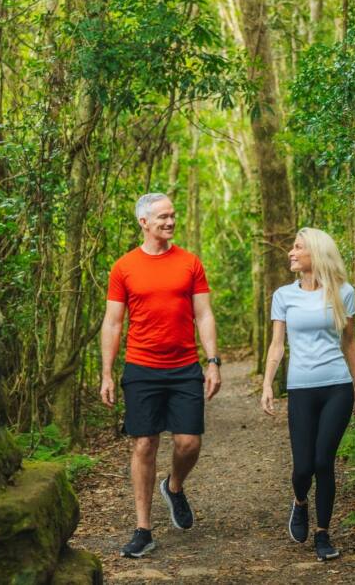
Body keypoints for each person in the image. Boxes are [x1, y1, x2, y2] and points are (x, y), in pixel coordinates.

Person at [100, 192, 222, 559]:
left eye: (172, 216)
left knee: (189, 443)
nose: (170, 222)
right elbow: (113, 322)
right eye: (163, 217)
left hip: (184, 367)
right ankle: (143, 529)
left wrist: (213, 361)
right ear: (144, 222)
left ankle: (174, 486)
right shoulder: (124, 267)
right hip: (141, 367)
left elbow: (204, 314)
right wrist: (107, 373)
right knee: (144, 444)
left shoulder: (190, 263)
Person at [260, 227, 355, 562]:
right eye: (292, 247)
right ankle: (300, 501)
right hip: (301, 388)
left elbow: (349, 342)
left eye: (297, 247)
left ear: (315, 253)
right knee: (303, 467)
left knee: (324, 462)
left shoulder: (343, 292)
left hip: (337, 386)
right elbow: (277, 345)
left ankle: (323, 533)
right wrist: (267, 384)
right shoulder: (283, 296)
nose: (291, 252)